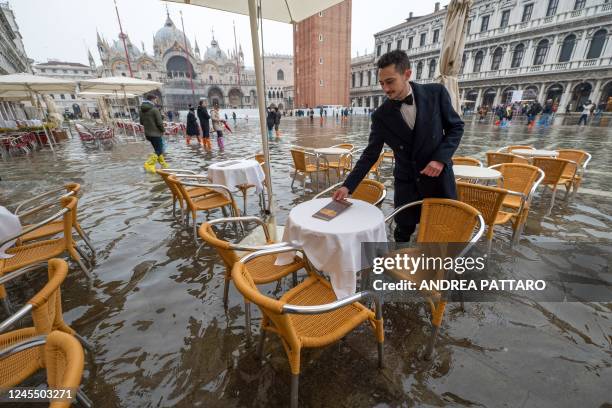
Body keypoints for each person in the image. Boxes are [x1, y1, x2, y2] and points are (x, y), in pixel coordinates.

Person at [333, 50, 463, 242]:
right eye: (382, 83)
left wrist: (440, 159)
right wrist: (348, 186)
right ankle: (400, 265)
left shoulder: (436, 93)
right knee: (403, 231)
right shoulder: (380, 115)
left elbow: (456, 127)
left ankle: (439, 269)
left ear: (407, 74)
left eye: (390, 81)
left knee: (443, 230)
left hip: (439, 179)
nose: (385, 89)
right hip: (407, 183)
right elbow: (370, 154)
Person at [140, 93, 167, 172]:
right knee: (159, 150)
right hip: (156, 133)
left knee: (157, 149)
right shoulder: (154, 109)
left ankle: (163, 164)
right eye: (155, 100)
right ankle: (148, 164)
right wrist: (163, 130)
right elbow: (159, 123)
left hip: (148, 134)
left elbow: (142, 122)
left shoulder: (141, 110)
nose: (156, 101)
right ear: (152, 99)